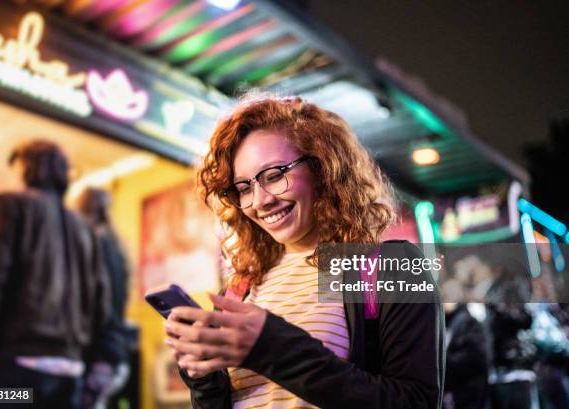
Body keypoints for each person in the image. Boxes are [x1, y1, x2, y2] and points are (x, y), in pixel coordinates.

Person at [163, 95, 445, 408]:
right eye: (243, 187)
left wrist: (275, 349)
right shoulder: (241, 288)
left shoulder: (389, 266)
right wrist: (204, 380)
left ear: (322, 168)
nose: (260, 200)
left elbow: (416, 403)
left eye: (275, 175)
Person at [0, 140, 110, 409]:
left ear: (26, 167)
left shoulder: (8, 205)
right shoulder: (84, 227)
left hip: (16, 373)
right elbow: (101, 302)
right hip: (70, 374)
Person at [74, 188, 131, 409]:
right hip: (114, 352)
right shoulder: (115, 246)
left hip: (99, 354)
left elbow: (95, 307)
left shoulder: (94, 245)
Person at [443, 303, 489, 409]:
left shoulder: (468, 322)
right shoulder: (442, 323)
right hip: (450, 393)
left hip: (467, 394)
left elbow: (475, 358)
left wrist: (443, 362)